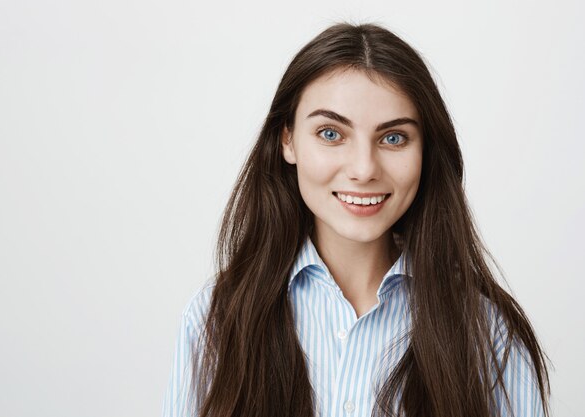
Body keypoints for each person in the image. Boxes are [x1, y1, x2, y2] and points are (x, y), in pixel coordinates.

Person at [162, 22, 551, 417]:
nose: (364, 169)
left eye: (394, 138)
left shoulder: (489, 334)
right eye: (331, 134)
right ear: (288, 140)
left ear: (426, 152)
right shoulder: (214, 321)